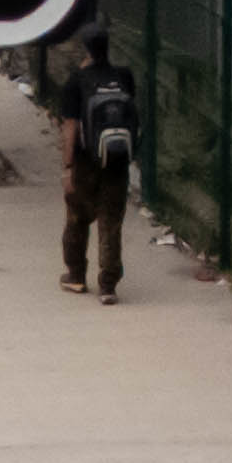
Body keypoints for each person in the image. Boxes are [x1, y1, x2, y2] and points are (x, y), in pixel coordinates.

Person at [56, 35, 141, 301]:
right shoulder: (124, 76)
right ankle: (108, 285)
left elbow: (71, 128)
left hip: (85, 162)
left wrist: (67, 168)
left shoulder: (76, 81)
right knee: (111, 222)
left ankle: (76, 276)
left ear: (86, 50)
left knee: (77, 219)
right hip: (116, 161)